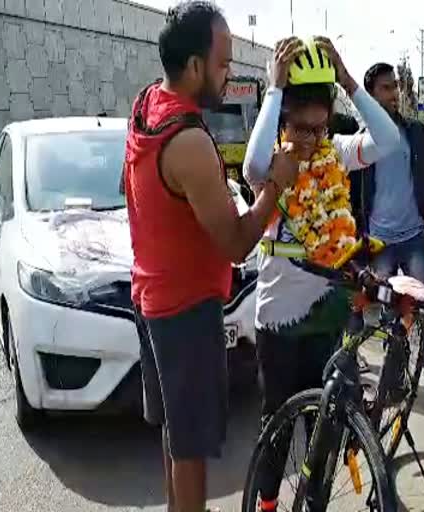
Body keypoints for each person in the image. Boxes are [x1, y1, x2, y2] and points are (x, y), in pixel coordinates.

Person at [122, 3, 298, 512]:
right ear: (195, 66)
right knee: (193, 448)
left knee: (176, 437)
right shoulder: (191, 142)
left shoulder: (146, 106)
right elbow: (238, 243)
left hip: (150, 295)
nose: (227, 77)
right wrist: (275, 187)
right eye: (222, 65)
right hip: (186, 309)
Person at [243, 36, 400, 511]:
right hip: (277, 319)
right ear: (283, 121)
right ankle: (266, 504)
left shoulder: (337, 154)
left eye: (320, 128)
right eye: (301, 129)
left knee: (324, 426)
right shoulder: (275, 165)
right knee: (277, 425)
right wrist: (273, 89)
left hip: (325, 315)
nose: (312, 140)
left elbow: (388, 139)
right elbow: (252, 164)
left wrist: (350, 81)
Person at [352, 62, 424, 419]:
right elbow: (350, 195)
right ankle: (381, 389)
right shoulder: (360, 142)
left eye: (395, 86)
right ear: (369, 95)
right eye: (385, 88)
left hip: (412, 238)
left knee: (423, 313)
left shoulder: (415, 132)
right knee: (373, 315)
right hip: (378, 244)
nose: (394, 93)